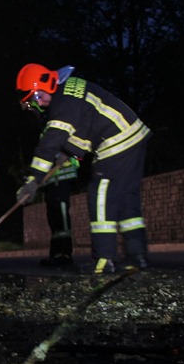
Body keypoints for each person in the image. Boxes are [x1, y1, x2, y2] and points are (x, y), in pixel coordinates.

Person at [16, 64, 151, 274]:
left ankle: (104, 260)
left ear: (46, 85)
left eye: (37, 97)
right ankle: (137, 256)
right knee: (127, 200)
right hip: (134, 135)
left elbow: (48, 145)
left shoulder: (61, 104)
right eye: (34, 101)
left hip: (116, 142)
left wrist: (33, 180)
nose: (39, 103)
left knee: (99, 196)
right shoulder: (69, 88)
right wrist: (67, 151)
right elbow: (85, 124)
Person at [39, 153, 80, 267]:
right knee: (54, 221)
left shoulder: (61, 143)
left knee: (62, 220)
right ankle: (55, 254)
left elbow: (73, 152)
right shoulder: (45, 142)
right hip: (50, 184)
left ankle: (65, 254)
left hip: (61, 181)